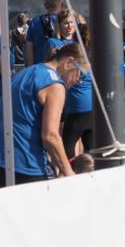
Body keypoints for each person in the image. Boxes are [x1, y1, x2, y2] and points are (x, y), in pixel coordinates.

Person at [0, 42, 86, 190]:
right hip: (24, 164)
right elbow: (50, 135)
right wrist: (68, 172)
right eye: (80, 74)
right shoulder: (55, 85)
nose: (79, 81)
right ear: (69, 63)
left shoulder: (27, 72)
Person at [47, 9, 93, 158]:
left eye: (71, 23)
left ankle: (70, 171)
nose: (69, 25)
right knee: (85, 145)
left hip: (78, 106)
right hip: (76, 104)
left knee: (69, 145)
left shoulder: (82, 53)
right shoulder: (54, 43)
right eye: (66, 22)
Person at [27, 0, 64, 65]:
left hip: (40, 69)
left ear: (45, 5)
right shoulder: (67, 22)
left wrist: (32, 70)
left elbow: (29, 52)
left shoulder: (34, 22)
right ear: (62, 4)